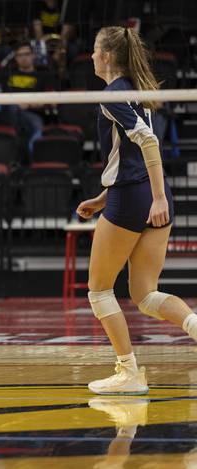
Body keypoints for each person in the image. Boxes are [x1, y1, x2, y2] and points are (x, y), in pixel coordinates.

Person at [75, 26, 197, 395]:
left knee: (99, 290)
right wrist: (103, 196)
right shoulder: (134, 91)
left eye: (95, 51)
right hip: (144, 193)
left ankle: (128, 373)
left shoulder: (113, 94)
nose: (92, 57)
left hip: (135, 197)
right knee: (144, 295)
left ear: (107, 56)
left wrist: (154, 197)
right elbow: (125, 156)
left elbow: (147, 141)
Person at [0, 41, 58, 153]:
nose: (23, 58)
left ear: (33, 55)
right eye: (20, 55)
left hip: (32, 113)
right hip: (9, 112)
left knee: (35, 123)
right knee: (12, 109)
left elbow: (53, 102)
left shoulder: (44, 75)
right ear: (15, 58)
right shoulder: (7, 75)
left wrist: (28, 104)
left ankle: (32, 154)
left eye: (27, 54)